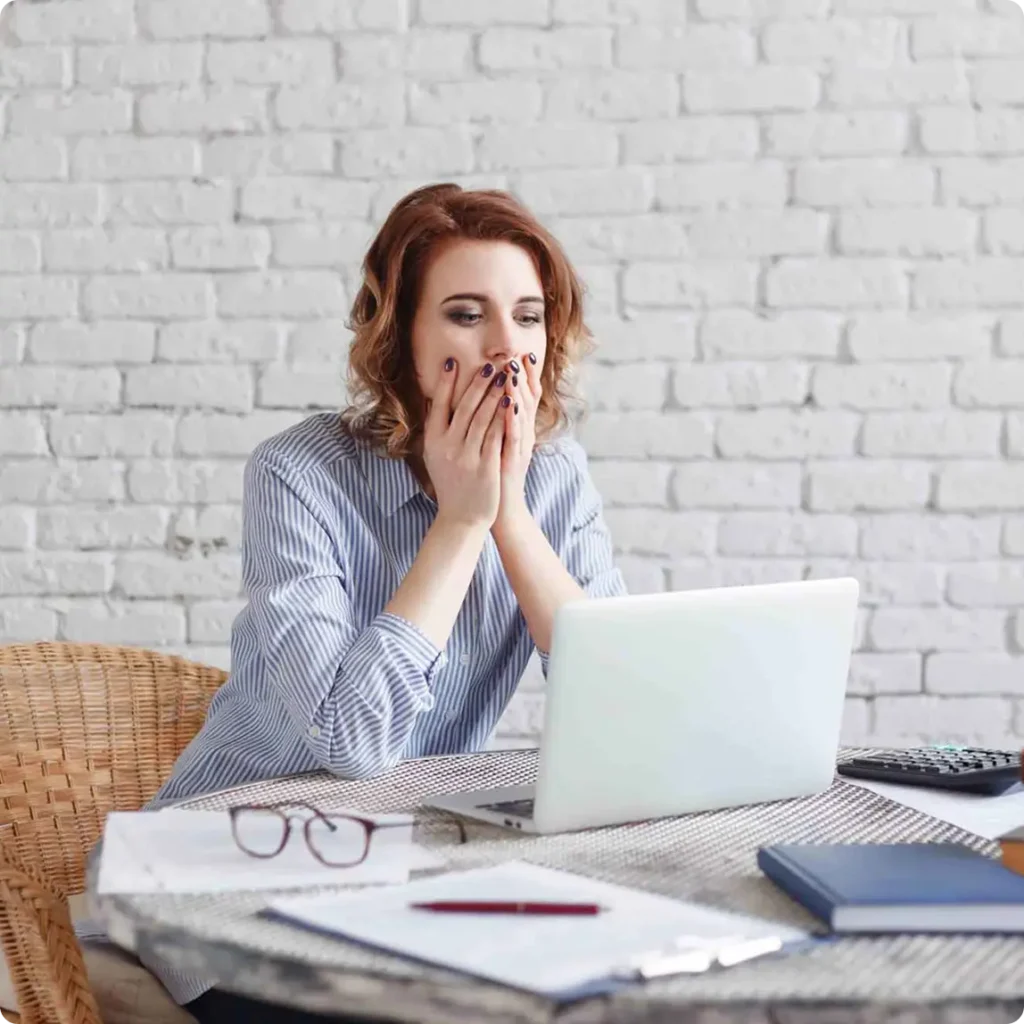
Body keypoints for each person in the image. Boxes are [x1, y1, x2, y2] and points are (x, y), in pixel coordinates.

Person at [145, 182, 628, 1022]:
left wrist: (510, 514)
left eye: (528, 316)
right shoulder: (297, 474)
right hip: (232, 867)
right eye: (467, 315)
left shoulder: (557, 477)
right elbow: (353, 739)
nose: (505, 347)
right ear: (401, 334)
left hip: (405, 858)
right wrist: (461, 520)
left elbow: (622, 712)